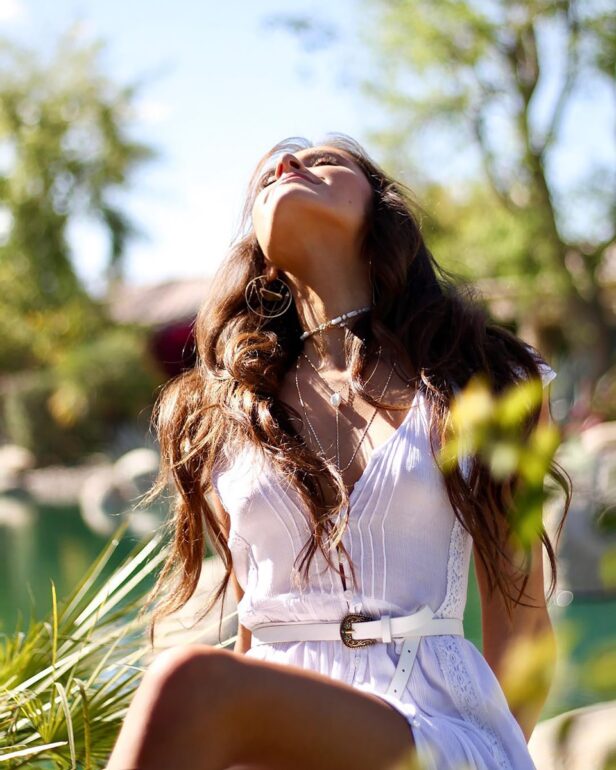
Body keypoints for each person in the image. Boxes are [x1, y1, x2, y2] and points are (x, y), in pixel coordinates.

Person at [106, 133, 571, 770]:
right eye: (268, 173)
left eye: (325, 160)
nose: (287, 164)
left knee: (186, 681)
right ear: (262, 256)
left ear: (382, 212)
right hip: (276, 739)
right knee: (196, 691)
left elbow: (522, 624)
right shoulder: (218, 414)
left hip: (432, 729)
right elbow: (252, 624)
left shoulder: (490, 380)